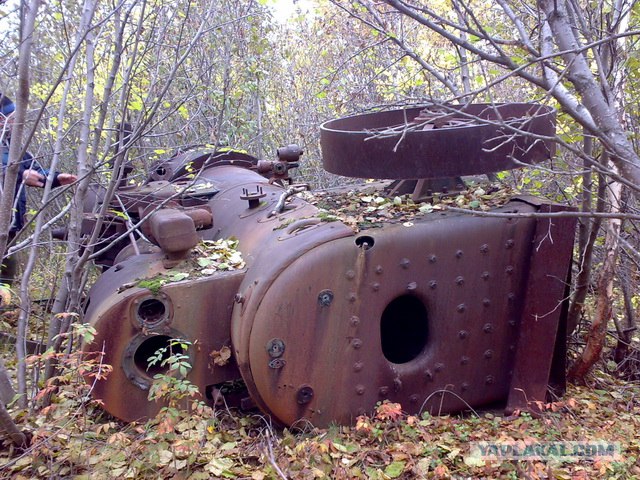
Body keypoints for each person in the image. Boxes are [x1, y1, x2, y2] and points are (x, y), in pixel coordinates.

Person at [0, 93, 77, 286]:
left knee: (5, 276)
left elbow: (32, 169)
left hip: (8, 227)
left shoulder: (13, 146)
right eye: (12, 118)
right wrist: (20, 173)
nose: (16, 122)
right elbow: (13, 169)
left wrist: (56, 178)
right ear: (1, 120)